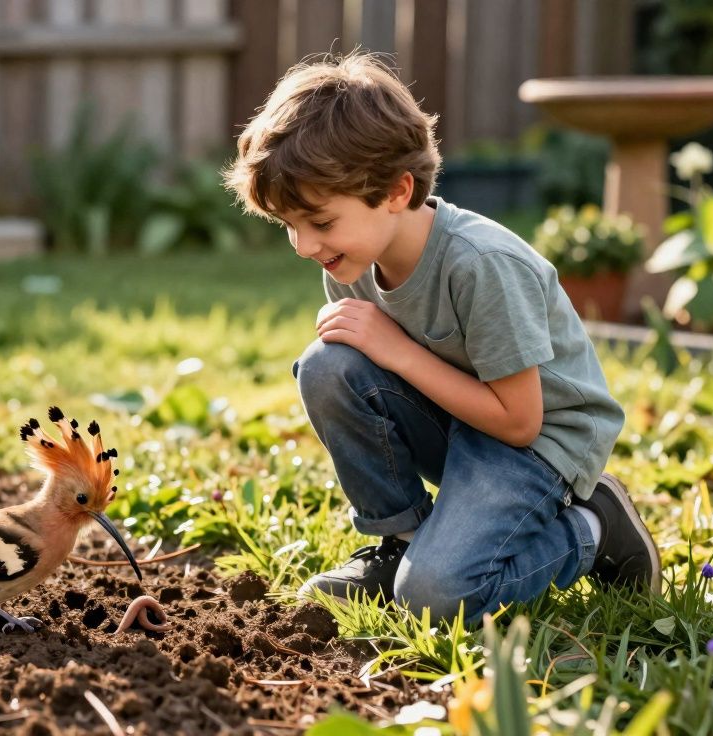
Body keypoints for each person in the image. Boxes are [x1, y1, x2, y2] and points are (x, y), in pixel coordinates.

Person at [222, 52, 660, 623]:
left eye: (321, 223)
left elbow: (519, 423)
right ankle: (399, 542)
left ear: (397, 191)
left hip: (539, 444)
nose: (306, 247)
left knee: (434, 598)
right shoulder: (352, 264)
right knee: (327, 365)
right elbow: (362, 376)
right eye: (290, 227)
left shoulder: (481, 265)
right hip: (462, 421)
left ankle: (594, 527)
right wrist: (382, 350)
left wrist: (396, 350)